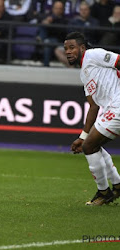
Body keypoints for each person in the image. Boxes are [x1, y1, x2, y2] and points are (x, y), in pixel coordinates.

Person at [64, 31, 120, 206]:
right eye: (65, 48)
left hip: (118, 106)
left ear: (82, 47)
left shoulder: (93, 54)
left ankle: (104, 193)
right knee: (91, 144)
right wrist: (82, 136)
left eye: (72, 47)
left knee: (90, 146)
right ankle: (117, 185)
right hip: (110, 108)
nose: (68, 51)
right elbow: (93, 106)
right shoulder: (84, 73)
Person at [39, 0, 68, 67]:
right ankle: (45, 66)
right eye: (56, 8)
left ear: (62, 10)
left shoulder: (64, 20)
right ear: (52, 9)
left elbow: (61, 32)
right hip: (49, 39)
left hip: (59, 40)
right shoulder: (48, 17)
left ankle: (41, 38)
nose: (57, 10)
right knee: (47, 43)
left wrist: (51, 23)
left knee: (47, 42)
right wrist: (46, 22)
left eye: (59, 8)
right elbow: (39, 19)